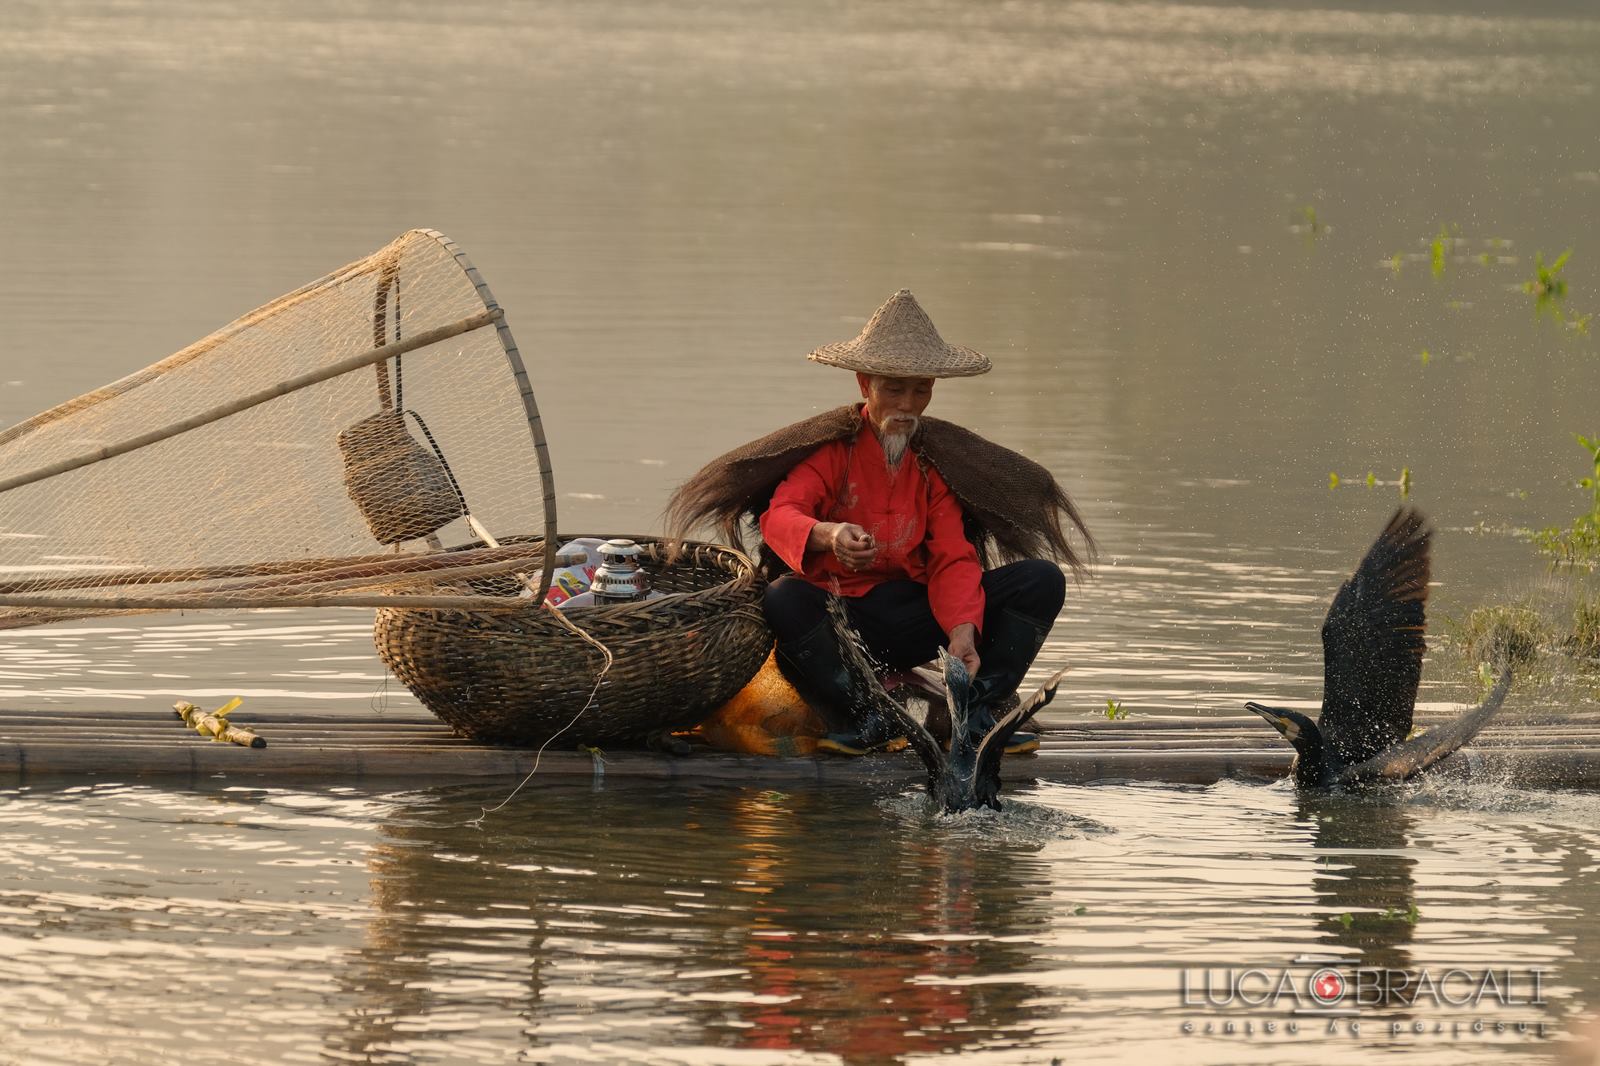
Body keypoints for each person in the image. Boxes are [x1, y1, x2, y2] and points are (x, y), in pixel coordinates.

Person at [665, 290, 1093, 756]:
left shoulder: (934, 465)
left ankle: (974, 713)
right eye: (893, 389)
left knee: (1039, 580)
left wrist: (963, 631)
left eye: (921, 389)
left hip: (915, 617)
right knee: (784, 596)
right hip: (841, 625)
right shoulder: (830, 452)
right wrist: (828, 535)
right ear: (863, 383)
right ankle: (862, 717)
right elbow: (781, 516)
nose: (907, 404)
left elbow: (952, 557)